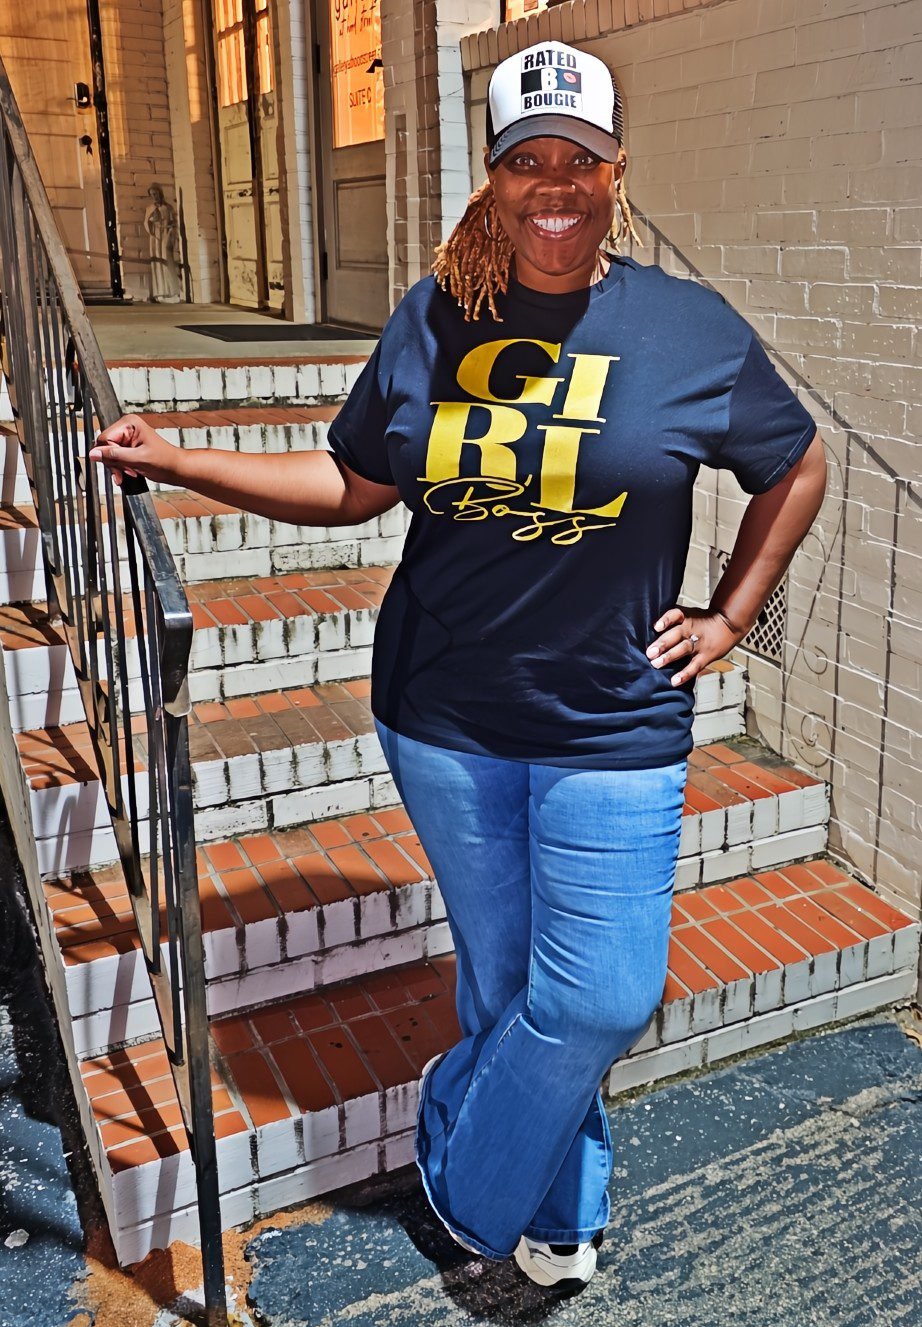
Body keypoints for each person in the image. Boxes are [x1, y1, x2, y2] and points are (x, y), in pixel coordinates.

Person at [92, 39, 827, 1292]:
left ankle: (465, 1174)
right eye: (524, 161)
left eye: (577, 161)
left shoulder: (686, 327)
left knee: (598, 995)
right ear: (489, 181)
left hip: (611, 720)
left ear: (614, 171)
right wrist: (185, 462)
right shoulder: (434, 317)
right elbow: (352, 482)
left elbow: (794, 464)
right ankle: (560, 1208)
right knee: (502, 978)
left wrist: (730, 614)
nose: (553, 184)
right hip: (444, 714)